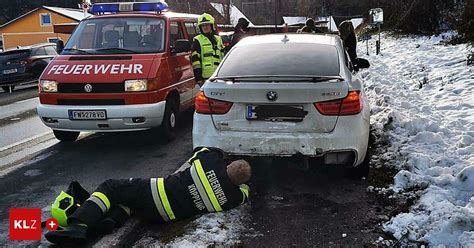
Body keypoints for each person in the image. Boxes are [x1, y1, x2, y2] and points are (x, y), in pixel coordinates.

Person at [45, 148, 251, 244]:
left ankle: (78, 225)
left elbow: (201, 151)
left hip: (156, 192)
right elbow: (246, 193)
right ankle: (110, 220)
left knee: (111, 187)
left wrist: (221, 157)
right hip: (164, 217)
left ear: (227, 166)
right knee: (130, 204)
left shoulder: (208, 163)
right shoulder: (231, 198)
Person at [191, 13, 225, 86]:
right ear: (200, 27)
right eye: (203, 25)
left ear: (211, 26)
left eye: (207, 25)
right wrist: (198, 78)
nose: (205, 27)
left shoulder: (218, 39)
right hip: (205, 78)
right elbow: (195, 61)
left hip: (219, 76)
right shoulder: (197, 40)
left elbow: (223, 56)